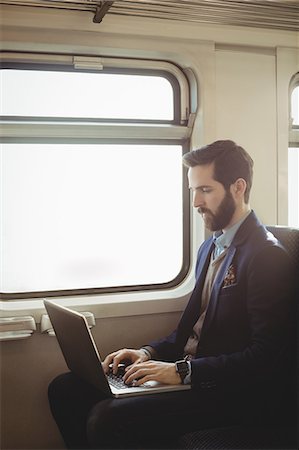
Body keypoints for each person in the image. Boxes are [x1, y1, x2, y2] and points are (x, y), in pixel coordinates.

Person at [48, 140, 295, 449]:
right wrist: (147, 354)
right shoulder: (210, 247)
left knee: (107, 419)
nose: (196, 203)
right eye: (194, 191)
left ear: (238, 187)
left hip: (229, 393)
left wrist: (182, 371)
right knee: (65, 388)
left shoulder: (266, 255)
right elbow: (187, 332)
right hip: (189, 374)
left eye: (205, 190)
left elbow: (265, 358)